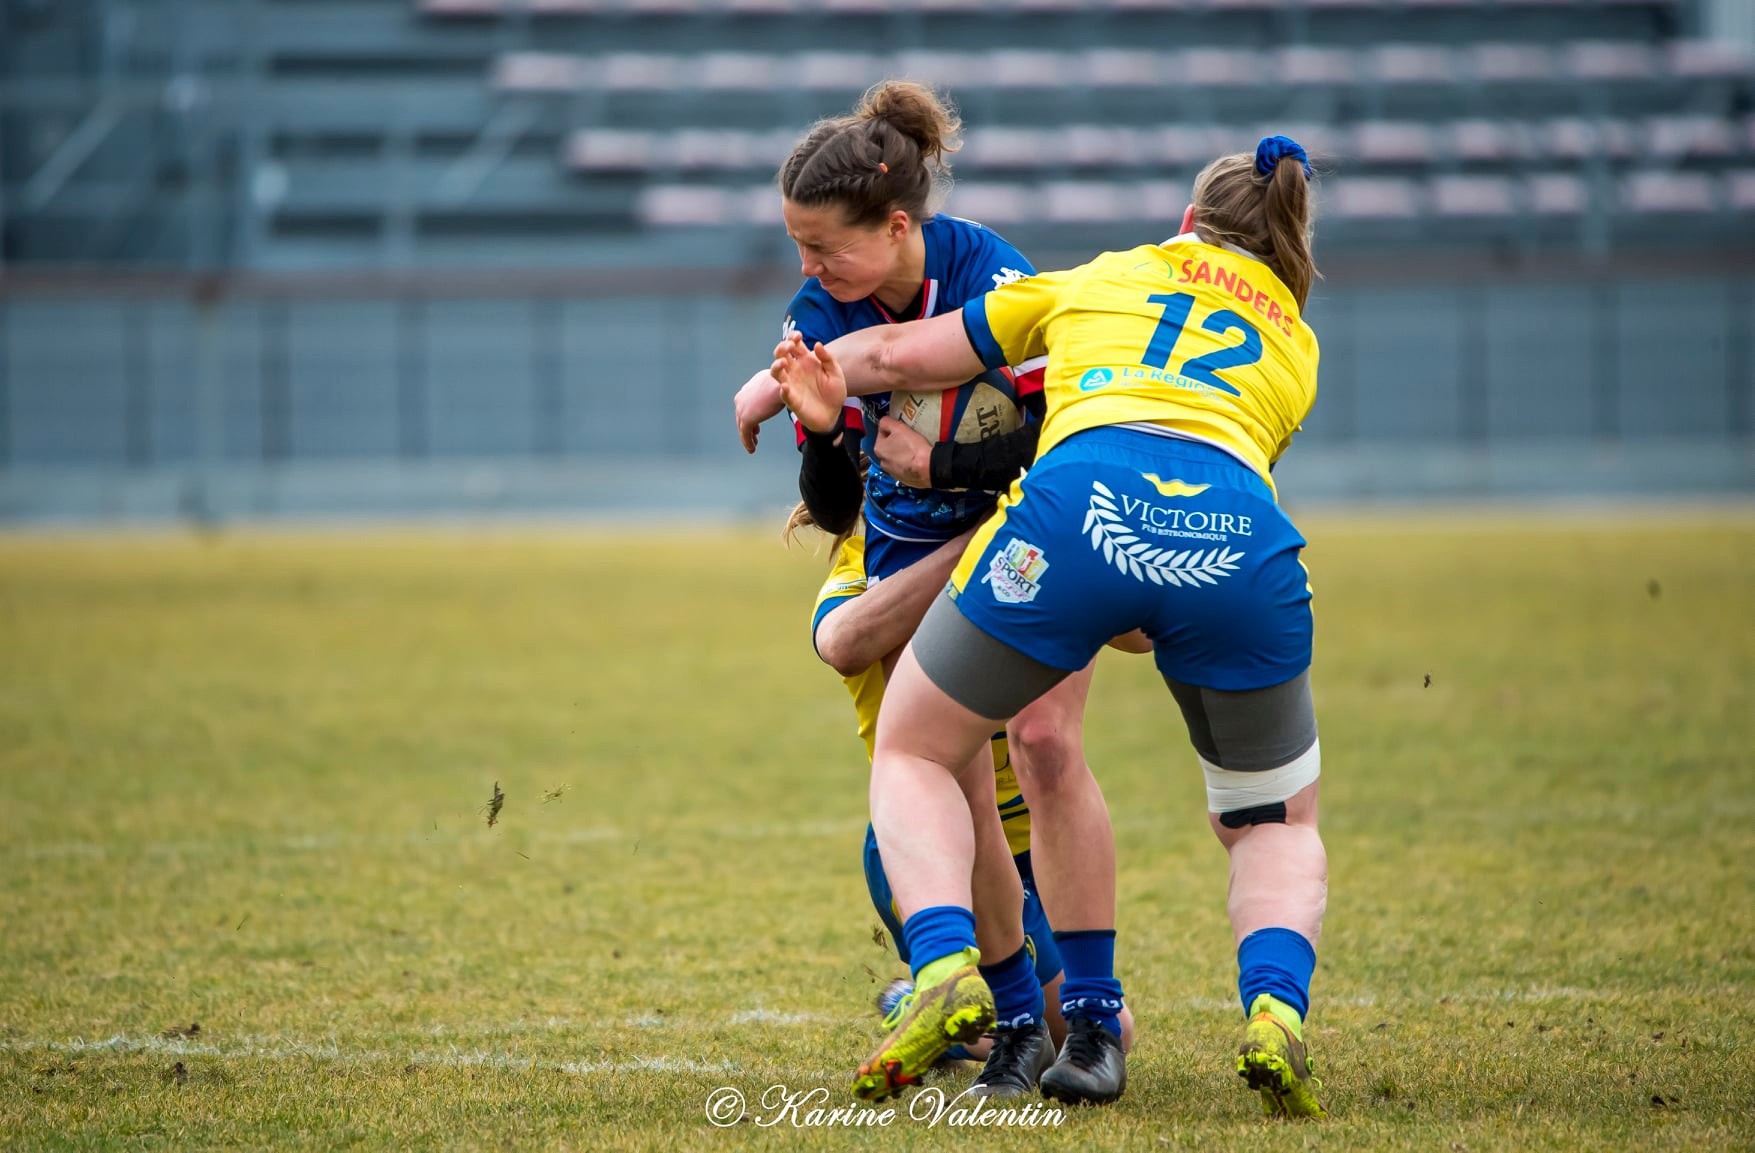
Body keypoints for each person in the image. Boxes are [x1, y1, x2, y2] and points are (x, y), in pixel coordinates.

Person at [773, 135, 1330, 1118]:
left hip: (1072, 518)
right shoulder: (1295, 337)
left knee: (913, 749)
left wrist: (767, 388)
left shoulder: (1105, 275)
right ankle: (1274, 1015)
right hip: (1235, 541)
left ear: (1186, 224)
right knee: (1269, 821)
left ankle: (952, 968)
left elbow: (901, 353)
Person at [733, 79, 1110, 1100]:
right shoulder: (822, 312)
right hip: (902, 561)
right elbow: (832, 497)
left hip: (1023, 548)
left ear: (897, 226)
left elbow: (1054, 442)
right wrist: (818, 424)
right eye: (798, 250)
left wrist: (943, 472)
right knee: (943, 788)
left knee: (1042, 750)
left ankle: (1087, 1006)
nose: (808, 272)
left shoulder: (996, 279)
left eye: (824, 250)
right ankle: (1010, 1011)